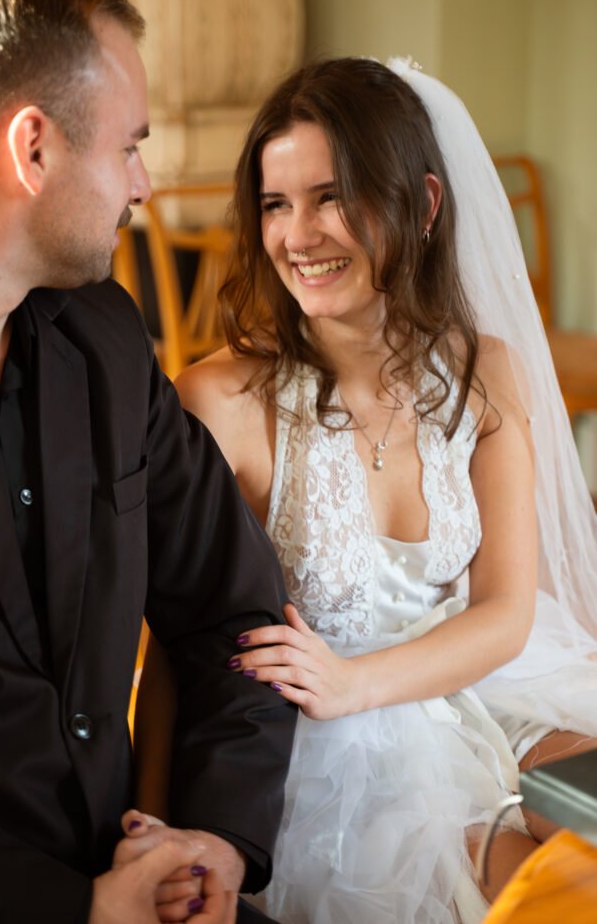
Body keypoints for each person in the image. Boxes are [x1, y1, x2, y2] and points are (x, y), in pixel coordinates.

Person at [0, 0, 297, 924]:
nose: (145, 182)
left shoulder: (107, 336)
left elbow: (234, 611)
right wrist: (72, 909)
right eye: (130, 145)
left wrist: (215, 840)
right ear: (32, 148)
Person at [174, 57, 597, 923]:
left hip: (486, 684)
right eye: (275, 203)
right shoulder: (221, 402)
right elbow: (171, 645)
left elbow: (506, 612)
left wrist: (359, 682)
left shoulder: (487, 377)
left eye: (332, 196)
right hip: (330, 756)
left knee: (579, 852)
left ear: (425, 206)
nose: (298, 235)